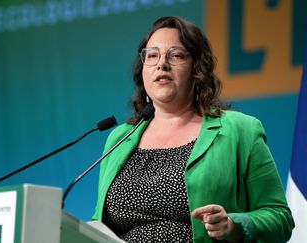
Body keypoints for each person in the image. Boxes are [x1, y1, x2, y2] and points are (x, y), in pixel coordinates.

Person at [91, 16, 294, 242]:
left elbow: (280, 217)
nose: (162, 64)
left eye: (176, 55)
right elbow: (99, 224)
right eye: (152, 55)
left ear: (197, 70)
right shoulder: (119, 138)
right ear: (143, 71)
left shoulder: (240, 130)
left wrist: (234, 225)